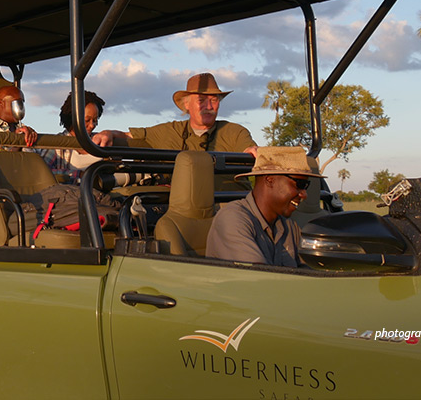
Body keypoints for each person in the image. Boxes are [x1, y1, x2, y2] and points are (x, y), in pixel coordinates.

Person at [206, 146, 323, 266]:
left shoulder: (288, 225)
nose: (304, 194)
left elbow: (308, 269)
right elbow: (259, 279)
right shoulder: (233, 219)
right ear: (269, 180)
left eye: (305, 186)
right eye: (299, 184)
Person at [92, 72, 257, 155]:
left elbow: (249, 151)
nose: (208, 106)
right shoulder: (169, 131)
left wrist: (254, 152)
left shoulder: (235, 132)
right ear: (187, 104)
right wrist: (107, 133)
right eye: (201, 100)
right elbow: (128, 136)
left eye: (214, 100)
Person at [36, 91, 105, 184]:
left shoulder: (100, 139)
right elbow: (42, 172)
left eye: (95, 120)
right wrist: (80, 175)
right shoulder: (57, 144)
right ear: (73, 117)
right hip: (73, 194)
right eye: (87, 120)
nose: (92, 125)